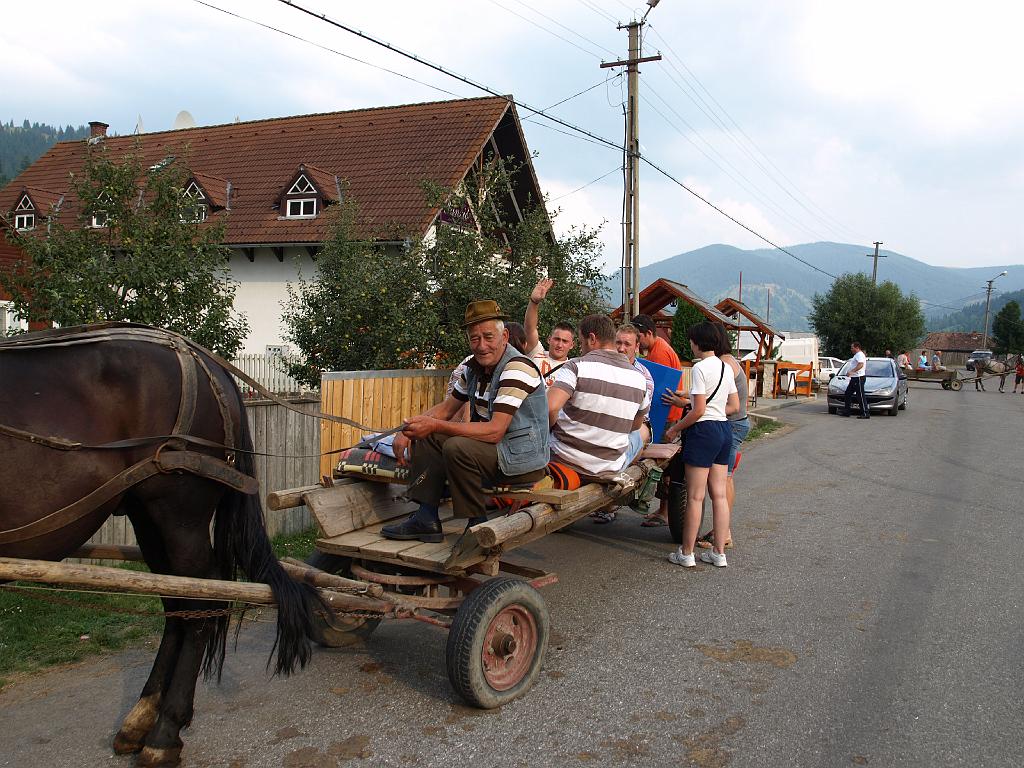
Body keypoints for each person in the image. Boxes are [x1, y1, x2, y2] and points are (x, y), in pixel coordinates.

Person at [382, 300, 549, 543]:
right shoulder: (473, 368)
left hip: (522, 460)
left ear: (504, 336)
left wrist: (436, 425)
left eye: (488, 337)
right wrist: (407, 429)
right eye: (474, 338)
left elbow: (495, 431)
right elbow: (446, 410)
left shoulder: (517, 368)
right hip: (495, 453)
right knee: (427, 436)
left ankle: (476, 526)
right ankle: (426, 518)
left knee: (456, 446)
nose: (481, 346)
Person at [547, 315, 651, 523]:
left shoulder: (575, 366)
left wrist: (553, 427)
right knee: (640, 434)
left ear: (592, 339)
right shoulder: (640, 379)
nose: (581, 348)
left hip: (564, 459)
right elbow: (635, 425)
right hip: (608, 467)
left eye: (581, 341)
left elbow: (550, 407)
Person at [662, 322, 739, 568]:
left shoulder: (699, 369)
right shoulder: (728, 368)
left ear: (697, 342)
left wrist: (675, 428)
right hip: (723, 430)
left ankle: (686, 553)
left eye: (692, 341)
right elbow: (734, 407)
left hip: (703, 432)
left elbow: (698, 410)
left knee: (695, 496)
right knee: (719, 495)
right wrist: (715, 413)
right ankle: (718, 552)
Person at [696, 324, 748, 551]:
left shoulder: (724, 363)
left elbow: (726, 405)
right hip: (738, 424)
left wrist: (693, 407)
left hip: (733, 424)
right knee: (726, 478)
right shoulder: (729, 360)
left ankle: (723, 533)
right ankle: (722, 530)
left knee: (722, 480)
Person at [632, 313, 684, 527]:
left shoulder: (659, 354)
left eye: (638, 338)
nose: (638, 343)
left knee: (661, 466)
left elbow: (655, 390)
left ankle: (663, 512)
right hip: (670, 415)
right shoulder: (660, 346)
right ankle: (663, 511)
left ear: (648, 334)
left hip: (666, 417)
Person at [524, 277, 575, 385]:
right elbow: (530, 329)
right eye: (557, 339)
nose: (560, 344)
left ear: (572, 345)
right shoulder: (536, 353)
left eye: (565, 341)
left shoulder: (573, 368)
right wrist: (534, 302)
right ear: (549, 339)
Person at [842, 341, 870, 419]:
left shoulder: (859, 355)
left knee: (860, 396)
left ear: (857, 348)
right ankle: (847, 411)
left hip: (858, 378)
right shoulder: (857, 355)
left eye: (852, 348)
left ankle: (865, 413)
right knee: (847, 393)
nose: (851, 349)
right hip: (854, 378)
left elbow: (860, 364)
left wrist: (851, 371)